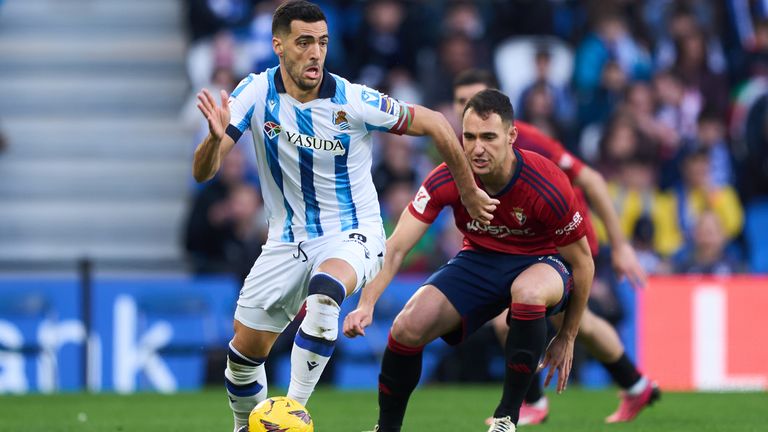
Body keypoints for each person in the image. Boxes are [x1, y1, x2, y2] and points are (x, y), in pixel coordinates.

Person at [191, 2, 497, 431]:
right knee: (242, 358)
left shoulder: (353, 100)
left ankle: (291, 412)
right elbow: (204, 171)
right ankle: (247, 426)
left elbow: (435, 123)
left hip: (353, 233)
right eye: (304, 43)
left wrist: (467, 188)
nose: (316, 53)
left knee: (325, 292)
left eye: (322, 42)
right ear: (278, 46)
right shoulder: (255, 93)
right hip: (285, 241)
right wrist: (212, 137)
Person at [345, 89, 595, 432]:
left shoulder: (545, 183)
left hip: (542, 261)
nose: (477, 148)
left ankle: (506, 417)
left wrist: (567, 336)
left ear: (511, 136)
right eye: (470, 137)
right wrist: (366, 303)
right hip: (479, 260)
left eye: (489, 137)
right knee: (406, 327)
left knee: (529, 291)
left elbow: (582, 263)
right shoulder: (447, 176)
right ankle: (386, 429)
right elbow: (397, 247)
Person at [451, 70, 659, 425]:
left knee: (512, 319)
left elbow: (591, 179)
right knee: (579, 322)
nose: (466, 107)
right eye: (460, 101)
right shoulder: (466, 146)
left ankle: (532, 403)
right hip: (527, 241)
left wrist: (621, 246)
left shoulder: (529, 138)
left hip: (565, 235)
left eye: (474, 97)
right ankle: (636, 384)